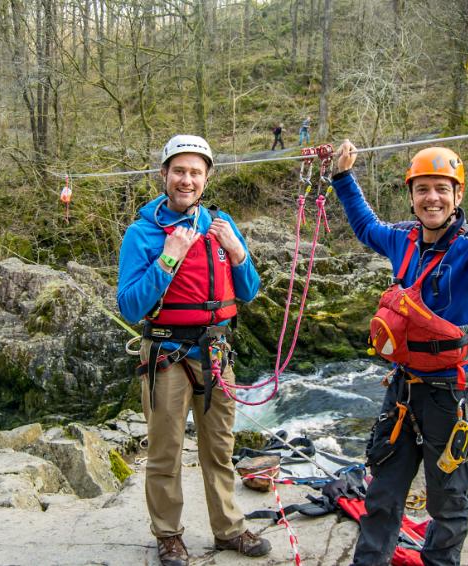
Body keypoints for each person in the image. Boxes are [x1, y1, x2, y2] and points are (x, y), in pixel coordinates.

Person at [331, 112, 468, 566]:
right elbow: (366, 227)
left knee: (449, 504)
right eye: (423, 189)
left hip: (454, 394)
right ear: (412, 197)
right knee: (382, 493)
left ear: (458, 195)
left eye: (442, 188)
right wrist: (343, 177)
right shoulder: (402, 240)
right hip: (404, 389)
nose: (432, 197)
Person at [117, 134, 271, 566]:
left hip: (217, 353)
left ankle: (229, 529)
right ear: (164, 175)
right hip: (166, 355)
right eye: (179, 171)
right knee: (165, 452)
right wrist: (167, 259)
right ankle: (168, 535)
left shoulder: (222, 226)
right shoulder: (143, 234)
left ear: (206, 179)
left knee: (219, 450)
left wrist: (239, 254)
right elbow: (130, 305)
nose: (187, 180)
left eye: (195, 173)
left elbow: (250, 292)